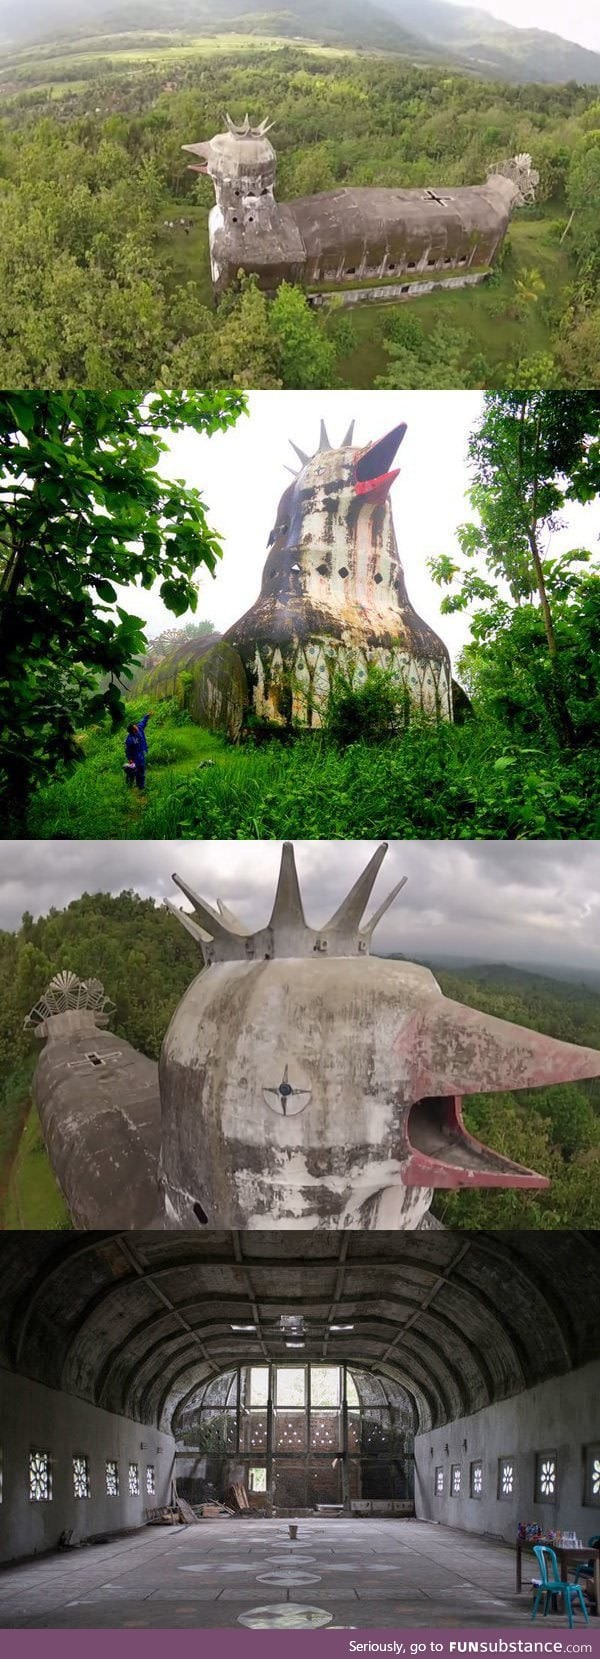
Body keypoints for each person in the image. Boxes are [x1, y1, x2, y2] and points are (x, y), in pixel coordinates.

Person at [124, 713, 152, 790]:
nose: (136, 727)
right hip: (134, 758)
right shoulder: (129, 739)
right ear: (132, 730)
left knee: (141, 770)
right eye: (134, 727)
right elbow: (127, 750)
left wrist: (147, 716)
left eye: (135, 726)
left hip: (141, 755)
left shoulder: (139, 728)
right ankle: (129, 784)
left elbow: (143, 722)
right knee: (133, 772)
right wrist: (130, 759)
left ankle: (141, 787)